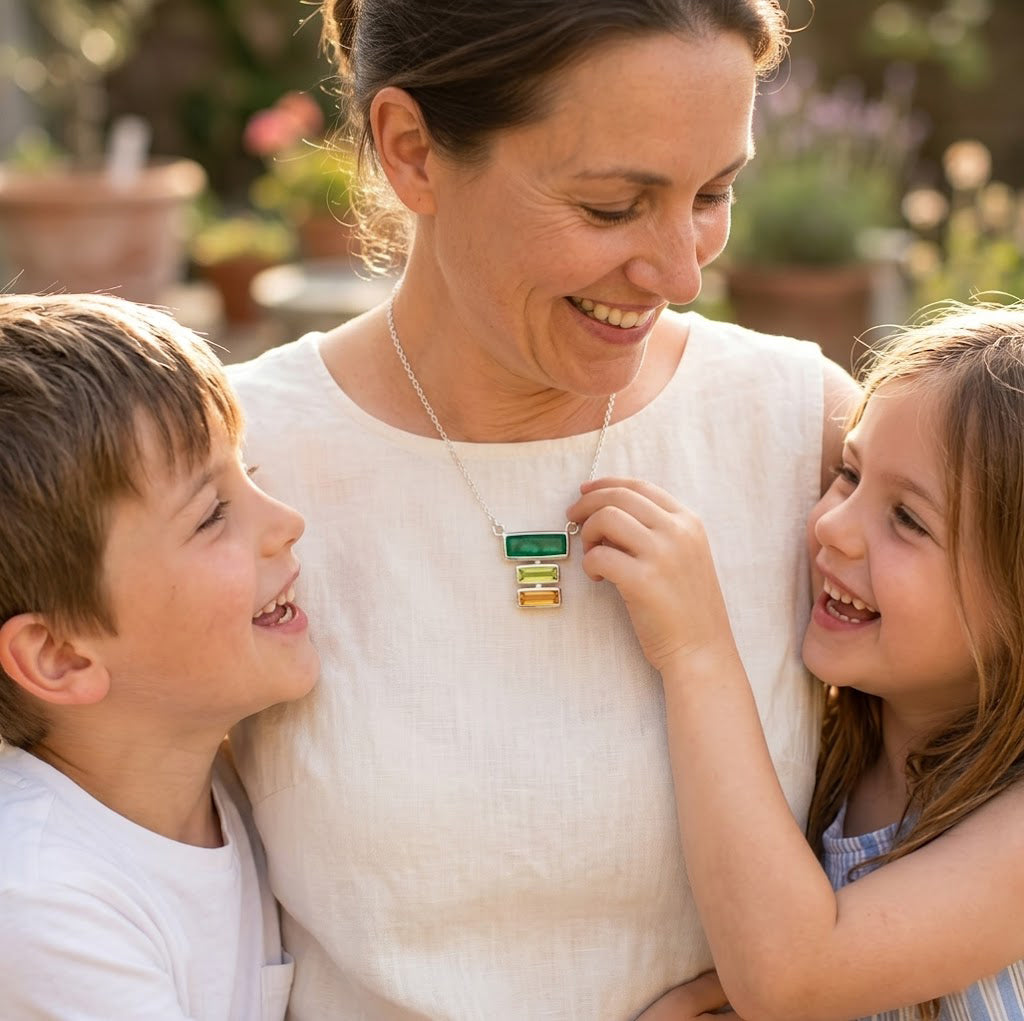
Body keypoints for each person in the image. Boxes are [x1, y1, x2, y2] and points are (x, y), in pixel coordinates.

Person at [227, 2, 858, 1017]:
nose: (683, 273)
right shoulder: (236, 473)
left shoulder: (806, 436)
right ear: (411, 150)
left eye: (714, 192)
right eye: (612, 206)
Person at [572, 301, 1024, 1021]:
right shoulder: (837, 750)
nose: (832, 526)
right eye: (849, 472)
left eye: (907, 518)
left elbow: (792, 973)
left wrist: (696, 649)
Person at [0, 293, 319, 1020]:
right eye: (212, 515)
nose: (287, 522)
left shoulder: (222, 793)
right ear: (59, 655)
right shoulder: (39, 901)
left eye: (252, 474)